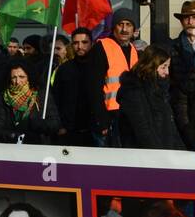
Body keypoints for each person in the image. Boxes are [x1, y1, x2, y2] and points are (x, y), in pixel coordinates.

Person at [85, 8, 140, 146]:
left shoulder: (133, 49)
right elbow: (93, 88)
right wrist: (101, 120)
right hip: (108, 117)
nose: (124, 29)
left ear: (134, 29)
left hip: (128, 116)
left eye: (128, 25)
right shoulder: (101, 47)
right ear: (113, 27)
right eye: (120, 24)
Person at [117, 45, 185, 150]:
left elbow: (170, 127)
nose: (167, 72)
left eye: (168, 67)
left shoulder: (160, 89)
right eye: (163, 67)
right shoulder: (133, 91)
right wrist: (159, 156)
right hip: (144, 156)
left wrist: (180, 152)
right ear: (151, 66)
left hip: (164, 151)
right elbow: (143, 130)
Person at [0, 60, 61, 144]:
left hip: (37, 145)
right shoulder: (3, 97)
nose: (17, 81)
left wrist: (37, 124)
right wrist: (13, 136)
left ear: (29, 77)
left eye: (21, 77)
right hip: (11, 146)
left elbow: (55, 124)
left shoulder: (41, 95)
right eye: (14, 77)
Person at [52, 27, 94, 147]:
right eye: (76, 43)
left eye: (84, 42)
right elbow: (55, 98)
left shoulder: (98, 67)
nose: (80, 46)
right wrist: (59, 125)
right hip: (68, 130)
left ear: (91, 43)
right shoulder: (64, 69)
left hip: (93, 130)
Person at [168, 0, 195, 94]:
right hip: (179, 101)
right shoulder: (171, 47)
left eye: (194, 17)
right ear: (181, 22)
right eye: (186, 18)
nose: (190, 22)